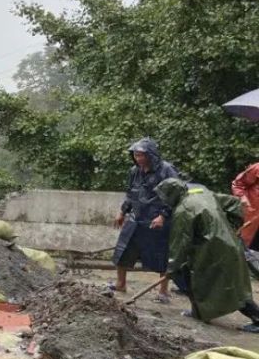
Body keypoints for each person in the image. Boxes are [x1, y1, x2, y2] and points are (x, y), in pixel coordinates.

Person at [156, 178, 259, 332]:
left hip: (213, 252)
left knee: (232, 288)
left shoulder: (183, 210)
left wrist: (171, 267)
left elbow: (179, 243)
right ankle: (200, 312)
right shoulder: (203, 193)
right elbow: (234, 203)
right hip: (228, 245)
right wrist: (233, 226)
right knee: (206, 282)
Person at [110, 138, 179, 303]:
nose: (138, 158)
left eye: (141, 155)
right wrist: (122, 212)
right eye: (136, 155)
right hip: (137, 216)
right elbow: (131, 193)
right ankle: (121, 283)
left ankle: (163, 291)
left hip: (157, 218)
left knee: (162, 255)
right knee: (123, 249)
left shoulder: (167, 170)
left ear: (151, 155)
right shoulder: (135, 171)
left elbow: (175, 194)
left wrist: (163, 215)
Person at [231, 161, 259, 249]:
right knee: (247, 244)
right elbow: (237, 184)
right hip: (253, 213)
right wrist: (243, 198)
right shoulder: (257, 168)